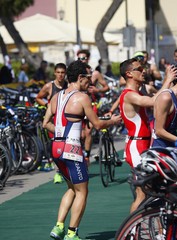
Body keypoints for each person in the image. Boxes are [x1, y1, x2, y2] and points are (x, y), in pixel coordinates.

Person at [43, 60, 121, 240]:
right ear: (79, 77)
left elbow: (45, 123)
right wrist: (113, 121)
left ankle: (59, 226)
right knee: (82, 191)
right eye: (87, 78)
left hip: (56, 148)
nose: (90, 82)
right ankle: (72, 233)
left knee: (72, 187)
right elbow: (98, 124)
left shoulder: (56, 97)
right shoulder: (82, 97)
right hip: (72, 149)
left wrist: (62, 132)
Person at [119, 58, 176, 213]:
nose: (144, 71)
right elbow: (153, 102)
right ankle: (131, 232)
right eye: (139, 69)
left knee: (148, 192)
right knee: (142, 194)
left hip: (142, 144)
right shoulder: (129, 95)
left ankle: (141, 228)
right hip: (137, 146)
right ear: (129, 74)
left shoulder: (138, 91)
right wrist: (167, 80)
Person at [36, 63, 68, 182]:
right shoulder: (49, 86)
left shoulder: (68, 86)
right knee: (55, 144)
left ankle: (65, 169)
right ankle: (58, 171)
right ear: (55, 73)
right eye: (58, 72)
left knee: (66, 144)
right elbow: (38, 97)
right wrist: (47, 105)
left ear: (65, 74)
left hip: (65, 119)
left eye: (62, 73)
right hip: (53, 120)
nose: (60, 75)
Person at [76, 49, 109, 164]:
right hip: (79, 105)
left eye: (84, 58)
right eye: (79, 58)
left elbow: (106, 87)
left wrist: (97, 89)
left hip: (91, 104)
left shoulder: (94, 73)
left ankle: (86, 156)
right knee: (81, 134)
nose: (82, 60)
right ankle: (80, 154)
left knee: (88, 132)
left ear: (88, 59)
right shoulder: (76, 74)